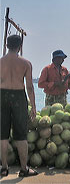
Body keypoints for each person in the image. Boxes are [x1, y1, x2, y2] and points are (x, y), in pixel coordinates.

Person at [0, 35, 38, 177]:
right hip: (18, 96)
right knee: (21, 135)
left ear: (6, 44)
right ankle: (24, 169)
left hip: (2, 95)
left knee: (2, 134)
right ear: (20, 46)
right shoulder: (26, 63)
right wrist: (33, 106)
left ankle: (4, 168)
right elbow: (29, 87)